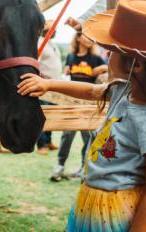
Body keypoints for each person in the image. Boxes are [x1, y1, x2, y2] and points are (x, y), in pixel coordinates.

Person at [18, 0, 146, 231]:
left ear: (137, 64)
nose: (107, 56)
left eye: (112, 51)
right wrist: (49, 84)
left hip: (120, 216)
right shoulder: (123, 91)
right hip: (94, 205)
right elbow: (94, 90)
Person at [50, 32, 106, 181]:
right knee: (67, 135)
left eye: (91, 37)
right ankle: (60, 166)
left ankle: (84, 167)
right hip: (70, 103)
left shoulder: (96, 58)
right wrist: (66, 70)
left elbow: (111, 69)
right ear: (78, 38)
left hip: (89, 104)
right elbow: (67, 75)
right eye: (86, 36)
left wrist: (103, 69)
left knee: (87, 137)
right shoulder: (70, 56)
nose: (89, 39)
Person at [36, 20, 63, 154]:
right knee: (43, 114)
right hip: (44, 85)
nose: (55, 31)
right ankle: (41, 145)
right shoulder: (40, 42)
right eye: (53, 29)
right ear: (46, 30)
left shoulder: (51, 43)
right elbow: (36, 62)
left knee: (51, 113)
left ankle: (48, 141)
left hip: (54, 85)